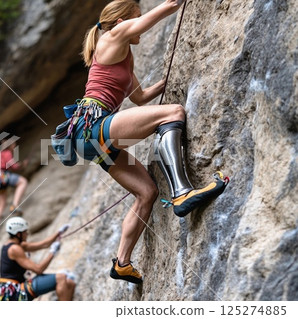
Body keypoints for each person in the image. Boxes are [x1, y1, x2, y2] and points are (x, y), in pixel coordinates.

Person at [67, 0, 227, 284]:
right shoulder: (112, 37)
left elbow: (139, 97)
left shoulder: (122, 56)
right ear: (120, 22)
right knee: (174, 112)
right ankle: (182, 192)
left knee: (146, 192)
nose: (138, 25)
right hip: (94, 126)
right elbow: (155, 16)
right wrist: (171, 5)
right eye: (134, 19)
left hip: (92, 137)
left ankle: (122, 263)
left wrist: (167, 80)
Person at [0, 217, 75, 301]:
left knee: (70, 283)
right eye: (25, 232)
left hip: (12, 289)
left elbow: (44, 244)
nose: (27, 234)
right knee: (61, 277)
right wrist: (52, 253)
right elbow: (38, 269)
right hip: (14, 292)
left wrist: (59, 232)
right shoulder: (15, 249)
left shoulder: (16, 245)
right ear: (18, 234)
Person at [0, 140, 28, 230]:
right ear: (10, 146)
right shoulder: (7, 153)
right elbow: (14, 166)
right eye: (14, 145)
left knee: (1, 204)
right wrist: (23, 165)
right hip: (2, 175)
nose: (15, 146)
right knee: (23, 182)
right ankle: (15, 205)